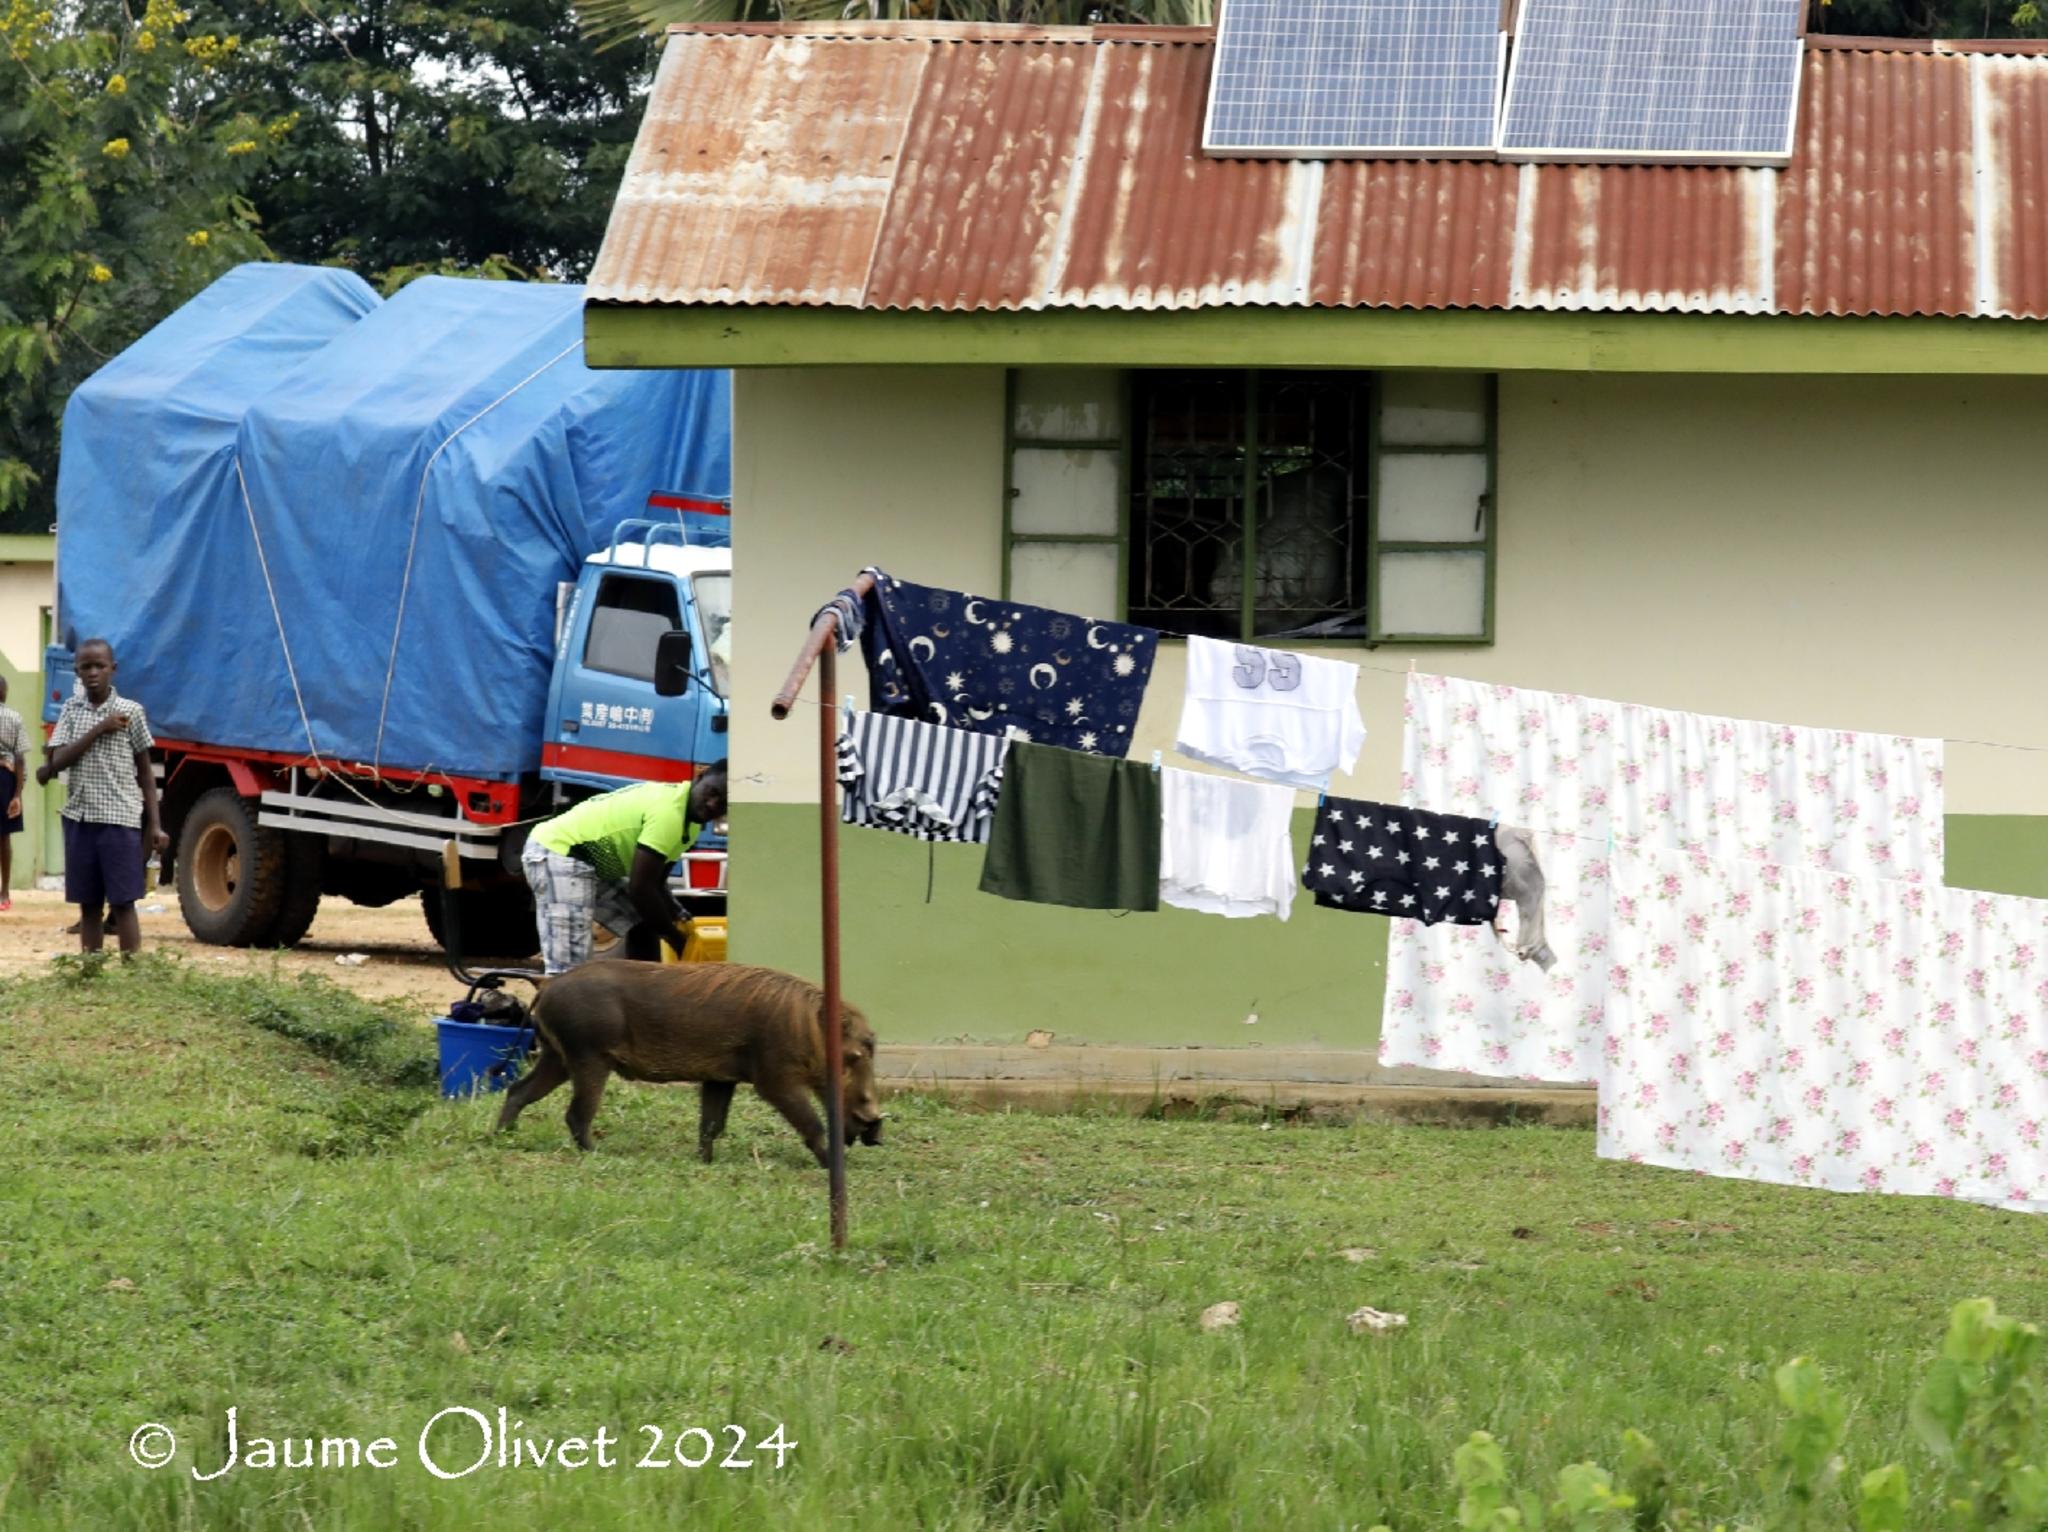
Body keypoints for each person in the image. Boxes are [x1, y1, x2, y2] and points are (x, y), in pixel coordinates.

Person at [520, 761, 727, 976]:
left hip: (588, 862)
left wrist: (679, 915)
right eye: (712, 793)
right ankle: (556, 1005)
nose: (713, 804)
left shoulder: (691, 823)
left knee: (646, 919)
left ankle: (642, 989)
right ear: (700, 777)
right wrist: (675, 938)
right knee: (570, 971)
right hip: (558, 851)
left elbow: (657, 882)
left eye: (722, 803)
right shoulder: (669, 813)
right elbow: (641, 888)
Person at [36, 639, 167, 954]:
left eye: (100, 666)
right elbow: (57, 762)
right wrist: (99, 729)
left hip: (119, 820)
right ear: (77, 672)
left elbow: (145, 773)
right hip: (80, 819)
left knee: (124, 902)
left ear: (113, 669)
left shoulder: (131, 712)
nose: (93, 673)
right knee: (89, 904)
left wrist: (155, 825)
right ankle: (90, 971)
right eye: (86, 667)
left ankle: (132, 976)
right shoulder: (71, 710)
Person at [0, 675, 24, 912]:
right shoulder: (14, 717)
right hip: (5, 779)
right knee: (4, 838)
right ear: (4, 694)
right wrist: (18, 793)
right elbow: (20, 758)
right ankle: (4, 891)